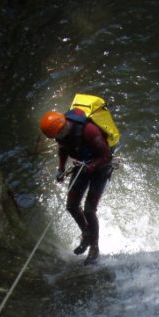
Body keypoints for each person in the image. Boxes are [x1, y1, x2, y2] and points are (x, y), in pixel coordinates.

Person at [39, 107, 114, 265]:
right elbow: (63, 149)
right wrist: (61, 169)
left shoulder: (89, 131)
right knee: (71, 205)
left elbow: (106, 156)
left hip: (100, 168)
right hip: (82, 167)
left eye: (57, 135)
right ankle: (86, 234)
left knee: (89, 209)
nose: (56, 138)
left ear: (63, 127)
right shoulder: (61, 134)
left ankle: (94, 248)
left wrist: (91, 167)